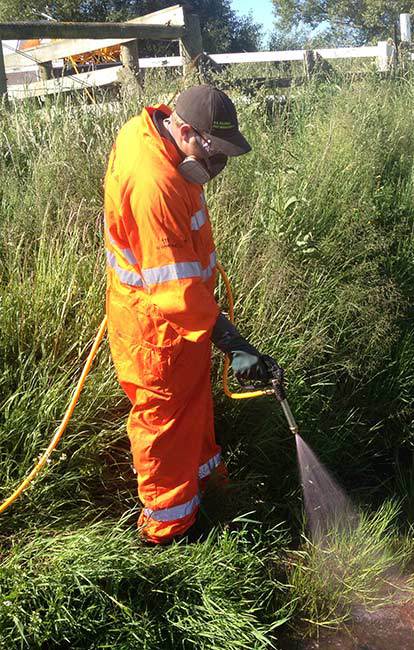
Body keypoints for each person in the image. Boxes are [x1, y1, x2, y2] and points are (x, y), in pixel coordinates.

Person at [103, 85, 277, 545]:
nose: (217, 167)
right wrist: (235, 345)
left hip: (183, 318)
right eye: (212, 152)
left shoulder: (162, 139)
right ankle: (167, 530)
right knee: (164, 421)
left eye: (224, 156)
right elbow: (174, 287)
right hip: (154, 328)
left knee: (194, 404)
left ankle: (204, 484)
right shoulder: (154, 183)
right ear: (182, 130)